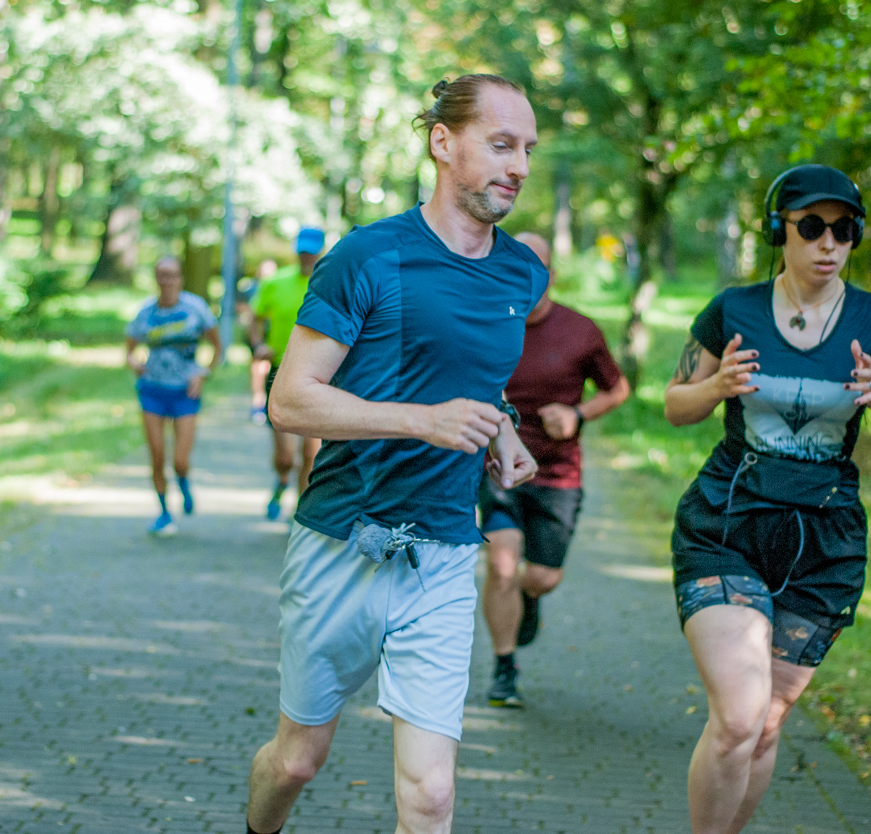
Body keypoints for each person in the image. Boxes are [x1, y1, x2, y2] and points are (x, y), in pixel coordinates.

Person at [243, 73, 548, 834]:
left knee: (432, 793)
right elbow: (290, 400)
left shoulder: (521, 270)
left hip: (442, 551)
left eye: (528, 150)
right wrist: (423, 422)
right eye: (501, 145)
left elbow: (475, 378)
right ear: (443, 142)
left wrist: (502, 428)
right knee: (296, 761)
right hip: (342, 540)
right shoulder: (368, 256)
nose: (518, 166)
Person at [663, 164, 871, 834]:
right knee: (738, 716)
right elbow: (675, 405)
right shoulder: (734, 310)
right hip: (728, 524)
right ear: (779, 230)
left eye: (844, 229)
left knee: (765, 725)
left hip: (824, 543)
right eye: (811, 226)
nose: (828, 243)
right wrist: (717, 385)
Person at [478, 232, 630, 708]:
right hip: (499, 469)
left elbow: (617, 389)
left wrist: (577, 415)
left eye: (536, 267)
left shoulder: (581, 331)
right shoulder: (484, 322)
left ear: (551, 275)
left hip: (558, 473)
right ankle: (505, 668)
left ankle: (528, 598)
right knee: (501, 565)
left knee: (543, 577)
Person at [125, 256, 221, 535]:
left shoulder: (196, 308)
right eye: (162, 275)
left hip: (184, 392)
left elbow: (217, 346)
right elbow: (129, 350)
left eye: (172, 275)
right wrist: (134, 363)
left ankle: (183, 481)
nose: (167, 281)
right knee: (157, 455)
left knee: (180, 460)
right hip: (153, 390)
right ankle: (164, 513)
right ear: (156, 279)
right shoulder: (145, 312)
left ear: (180, 278)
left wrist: (203, 374)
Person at [250, 231, 324, 520]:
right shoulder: (275, 282)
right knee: (285, 456)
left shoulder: (330, 284)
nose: (306, 257)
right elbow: (254, 319)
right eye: (302, 252)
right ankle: (282, 481)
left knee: (311, 454)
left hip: (320, 375)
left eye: (311, 252)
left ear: (320, 252)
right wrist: (258, 344)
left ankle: (300, 513)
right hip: (281, 371)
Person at [243, 259, 280, 424]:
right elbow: (251, 314)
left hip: (274, 338)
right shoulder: (252, 289)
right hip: (261, 338)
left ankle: (264, 404)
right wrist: (257, 343)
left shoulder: (279, 286)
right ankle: (258, 403)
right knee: (258, 369)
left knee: (266, 371)